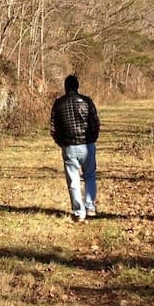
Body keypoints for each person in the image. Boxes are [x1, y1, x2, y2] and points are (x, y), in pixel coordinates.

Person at [50, 74, 100, 221]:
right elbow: (96, 123)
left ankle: (79, 212)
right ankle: (90, 206)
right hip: (87, 145)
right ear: (77, 86)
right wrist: (92, 139)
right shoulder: (87, 101)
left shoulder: (58, 104)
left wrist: (62, 143)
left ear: (65, 87)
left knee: (73, 181)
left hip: (69, 147)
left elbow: (53, 128)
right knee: (90, 176)